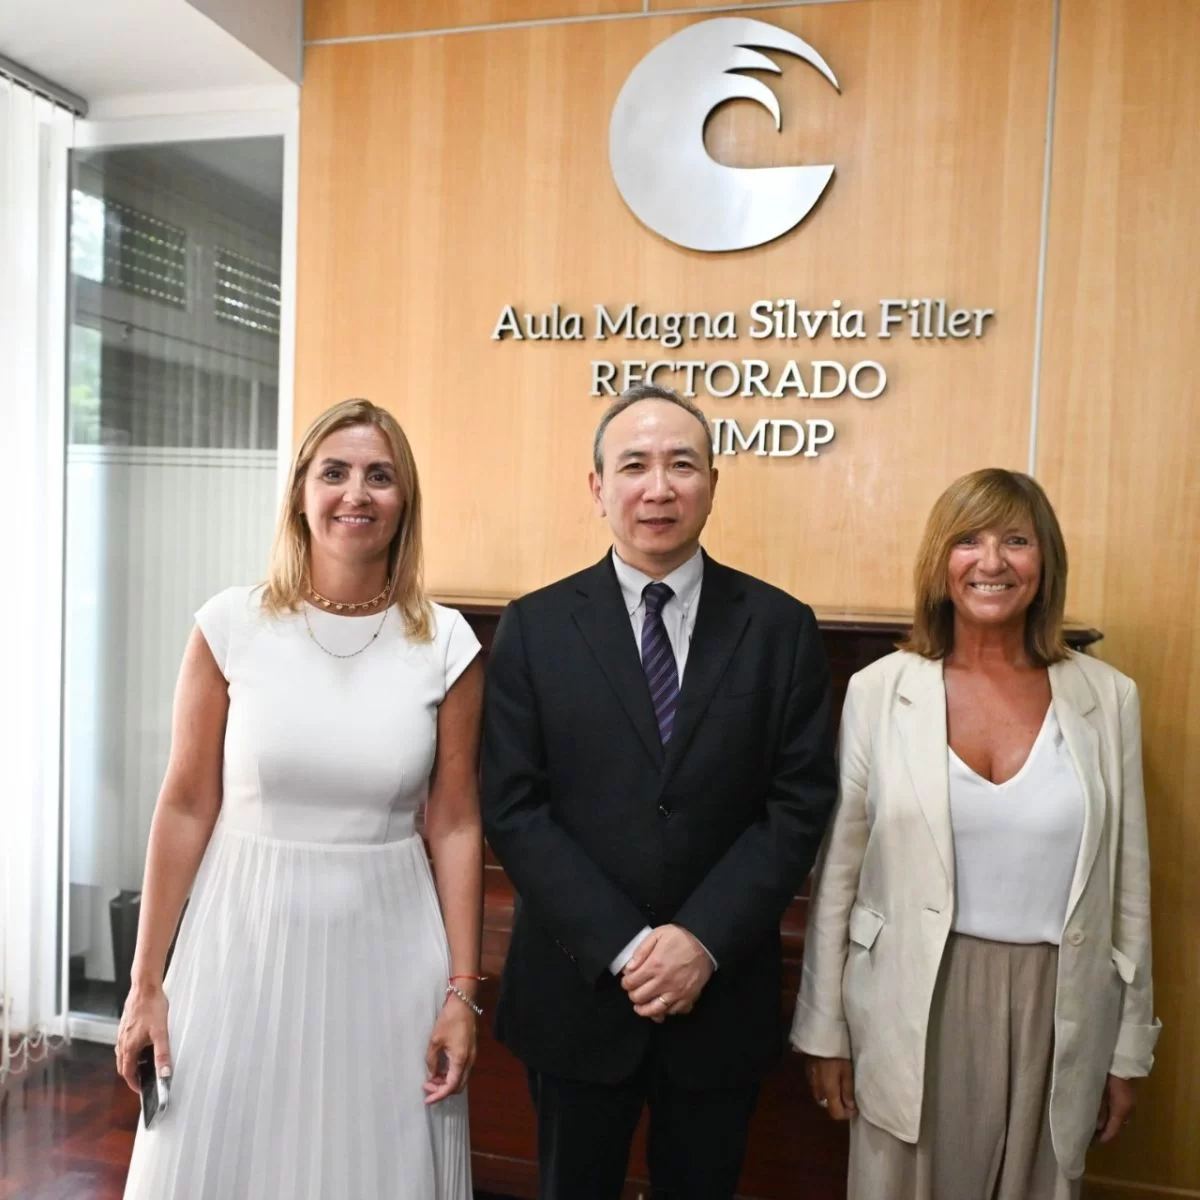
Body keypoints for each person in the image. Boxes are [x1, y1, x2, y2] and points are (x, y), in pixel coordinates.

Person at [116, 399, 483, 1199]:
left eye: (380, 476)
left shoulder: (447, 643)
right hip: (238, 940)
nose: (357, 492)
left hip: (389, 953)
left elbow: (455, 823)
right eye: (336, 472)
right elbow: (184, 805)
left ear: (405, 502)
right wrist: (146, 984)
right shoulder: (229, 625)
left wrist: (463, 994)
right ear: (300, 496)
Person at [481, 383, 838, 1200]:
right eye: (634, 464)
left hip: (719, 992)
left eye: (682, 464)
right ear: (597, 486)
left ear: (713, 482)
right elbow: (514, 806)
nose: (659, 486)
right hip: (577, 990)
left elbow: (797, 804)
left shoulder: (780, 628)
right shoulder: (534, 627)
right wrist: (627, 946)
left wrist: (699, 941)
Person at [792, 467, 1161, 1200]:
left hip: (1059, 1008)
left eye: (1015, 541)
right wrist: (824, 1030)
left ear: (1044, 561)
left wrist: (1127, 1049)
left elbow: (1130, 887)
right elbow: (839, 874)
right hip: (912, 1000)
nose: (991, 562)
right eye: (969, 541)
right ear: (940, 562)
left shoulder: (1108, 698)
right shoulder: (879, 690)